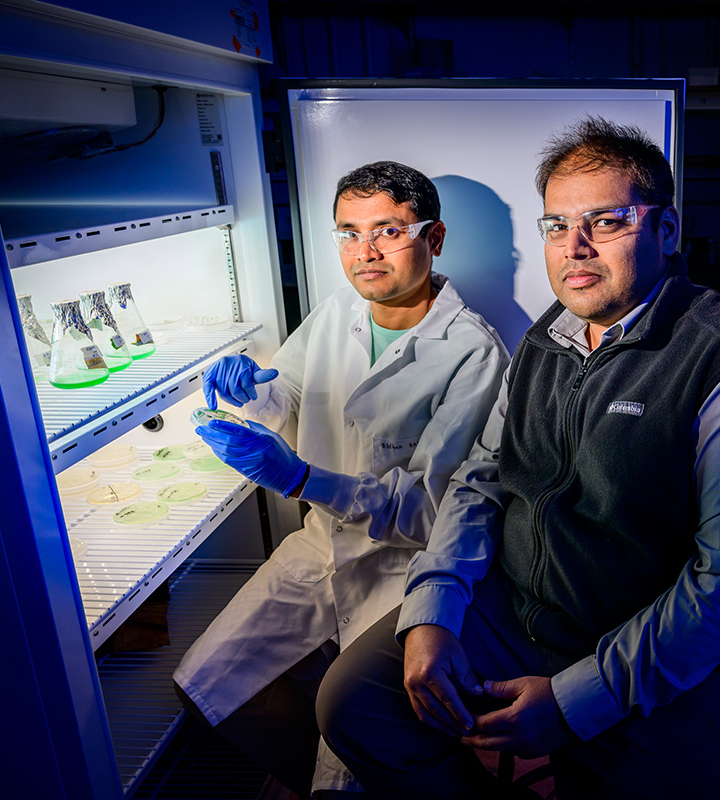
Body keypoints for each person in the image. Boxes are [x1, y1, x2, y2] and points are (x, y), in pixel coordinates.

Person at [315, 117, 720, 800]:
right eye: (556, 226)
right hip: (527, 610)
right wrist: (433, 604)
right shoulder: (545, 339)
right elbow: (483, 479)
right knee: (354, 704)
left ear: (666, 231)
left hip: (680, 654)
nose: (574, 248)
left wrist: (575, 700)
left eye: (606, 222)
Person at [173, 161, 510, 797]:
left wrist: (301, 478)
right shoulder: (338, 314)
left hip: (402, 570)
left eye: (388, 230)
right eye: (349, 233)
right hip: (320, 544)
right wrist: (255, 393)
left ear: (433, 239)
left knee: (350, 752)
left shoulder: (474, 352)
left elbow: (435, 514)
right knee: (207, 683)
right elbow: (293, 393)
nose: (365, 252)